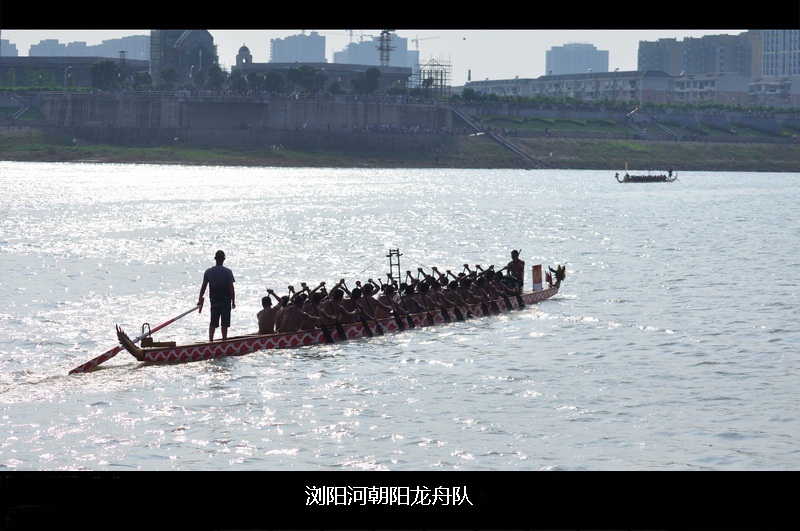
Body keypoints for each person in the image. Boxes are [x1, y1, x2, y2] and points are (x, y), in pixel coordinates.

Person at [198, 250, 235, 341]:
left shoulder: (208, 272)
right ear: (224, 259)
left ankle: (211, 340)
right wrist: (233, 301)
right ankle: (224, 340)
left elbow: (203, 287)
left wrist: (200, 298)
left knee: (213, 322)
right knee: (224, 323)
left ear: (215, 259)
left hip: (214, 300)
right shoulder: (228, 272)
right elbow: (231, 288)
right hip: (225, 300)